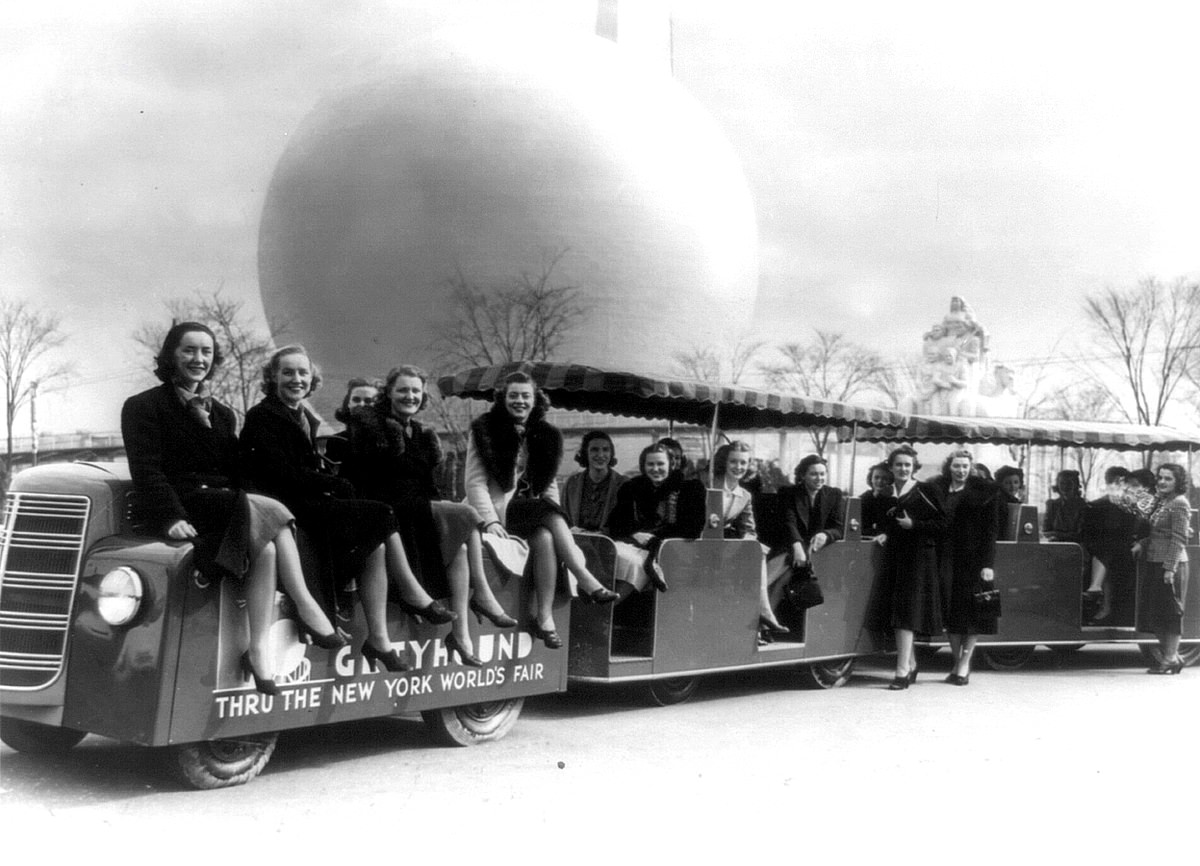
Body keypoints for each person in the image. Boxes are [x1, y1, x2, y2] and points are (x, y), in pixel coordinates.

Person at [121, 323, 343, 695]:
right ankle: (307, 605)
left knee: (268, 548)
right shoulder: (143, 406)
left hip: (222, 504)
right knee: (271, 511)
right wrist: (170, 516)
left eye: (206, 352)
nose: (198, 359)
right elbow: (146, 470)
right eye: (189, 350)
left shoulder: (222, 413)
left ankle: (258, 652)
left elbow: (233, 471)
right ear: (171, 355)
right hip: (184, 506)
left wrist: (246, 499)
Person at [241, 346, 456, 675]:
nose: (297, 379)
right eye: (288, 373)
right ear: (273, 377)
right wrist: (330, 483)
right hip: (283, 505)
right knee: (381, 514)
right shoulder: (263, 415)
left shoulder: (300, 415)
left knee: (376, 543)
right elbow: (279, 474)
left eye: (303, 373)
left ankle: (379, 639)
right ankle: (412, 592)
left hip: (304, 500)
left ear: (312, 378)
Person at [341, 365, 516, 667]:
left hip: (418, 512)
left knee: (460, 547)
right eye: (402, 390)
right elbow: (367, 480)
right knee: (467, 512)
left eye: (415, 391)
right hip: (390, 511)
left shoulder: (422, 434)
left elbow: (429, 487)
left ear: (422, 397)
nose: (410, 396)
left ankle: (460, 635)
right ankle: (483, 594)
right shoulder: (372, 427)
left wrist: (439, 515)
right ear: (389, 393)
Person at [465, 371, 619, 649]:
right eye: (514, 395)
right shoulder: (485, 429)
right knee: (546, 512)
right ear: (503, 398)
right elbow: (474, 484)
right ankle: (584, 577)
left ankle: (545, 618)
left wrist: (560, 523)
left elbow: (548, 487)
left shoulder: (546, 435)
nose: (520, 401)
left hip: (530, 512)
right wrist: (490, 522)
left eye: (526, 396)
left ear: (536, 400)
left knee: (546, 538)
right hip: (499, 512)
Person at [873, 444, 946, 690]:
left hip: (918, 559)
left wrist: (914, 525)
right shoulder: (884, 493)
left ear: (914, 467)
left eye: (907, 465)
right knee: (898, 615)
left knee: (906, 614)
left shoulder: (926, 490)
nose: (903, 469)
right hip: (894, 558)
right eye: (898, 465)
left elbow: (943, 525)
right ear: (891, 467)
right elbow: (881, 523)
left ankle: (902, 671)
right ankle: (911, 664)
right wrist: (884, 533)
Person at [931, 450, 1000, 685]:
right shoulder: (938, 490)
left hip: (972, 560)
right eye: (956, 466)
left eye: (965, 466)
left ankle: (964, 664)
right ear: (948, 467)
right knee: (949, 612)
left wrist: (987, 564)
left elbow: (990, 533)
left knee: (970, 614)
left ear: (970, 468)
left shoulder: (983, 494)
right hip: (945, 557)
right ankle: (956, 661)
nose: (961, 471)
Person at [709, 441, 789, 639]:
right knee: (754, 555)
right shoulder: (709, 485)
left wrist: (746, 540)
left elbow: (749, 529)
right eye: (734, 462)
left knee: (756, 550)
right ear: (724, 462)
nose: (739, 467)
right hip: (704, 544)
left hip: (725, 548)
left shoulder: (744, 495)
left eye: (743, 463)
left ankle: (759, 621)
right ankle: (764, 615)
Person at [608, 442, 706, 600]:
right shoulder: (632, 487)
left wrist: (655, 539)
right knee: (613, 554)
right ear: (643, 466)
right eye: (650, 464)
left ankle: (609, 607)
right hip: (632, 543)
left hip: (671, 549)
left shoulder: (690, 488)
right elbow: (615, 523)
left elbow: (693, 529)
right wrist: (635, 533)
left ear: (671, 464)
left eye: (660, 464)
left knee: (635, 564)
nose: (655, 469)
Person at [767, 454, 845, 619]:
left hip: (816, 553)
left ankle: (766, 623)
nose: (819, 478)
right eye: (814, 474)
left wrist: (826, 534)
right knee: (777, 577)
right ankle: (765, 622)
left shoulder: (834, 494)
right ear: (802, 475)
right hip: (790, 547)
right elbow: (788, 523)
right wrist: (797, 546)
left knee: (784, 579)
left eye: (823, 474)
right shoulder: (788, 493)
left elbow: (838, 527)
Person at [1134, 463, 1191, 674]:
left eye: (1168, 479)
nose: (1162, 482)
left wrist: (1170, 568)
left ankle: (1169, 659)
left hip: (1171, 565)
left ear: (1178, 482)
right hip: (1154, 561)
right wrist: (1143, 543)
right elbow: (1158, 533)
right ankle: (1173, 658)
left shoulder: (1179, 503)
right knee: (1156, 614)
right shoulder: (1161, 501)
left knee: (1171, 614)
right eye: (1160, 478)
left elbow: (1178, 539)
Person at [1080, 466, 1139, 624]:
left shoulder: (1133, 504)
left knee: (1106, 550)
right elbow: (1090, 531)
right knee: (1104, 550)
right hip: (1108, 549)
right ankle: (1101, 601)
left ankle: (1097, 590)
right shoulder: (1099, 505)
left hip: (1128, 548)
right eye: (1112, 482)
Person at [562, 430, 626, 534]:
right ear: (585, 453)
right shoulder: (571, 483)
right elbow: (564, 518)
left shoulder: (623, 484)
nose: (600, 455)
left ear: (611, 453)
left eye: (605, 450)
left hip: (611, 544)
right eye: (594, 450)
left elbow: (627, 524)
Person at [323, 377, 381, 465]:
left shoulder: (391, 440)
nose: (361, 404)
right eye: (356, 400)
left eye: (368, 401)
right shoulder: (336, 441)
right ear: (348, 404)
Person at [1044, 469, 1085, 542]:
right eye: (1062, 483)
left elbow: (1080, 535)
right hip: (1054, 546)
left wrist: (1056, 534)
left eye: (1069, 483)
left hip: (1075, 548)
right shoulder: (1052, 505)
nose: (1065, 487)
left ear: (1076, 485)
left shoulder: (1084, 506)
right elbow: (1045, 532)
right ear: (1058, 485)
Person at [858, 462, 895, 538]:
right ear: (871, 479)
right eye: (876, 477)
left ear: (890, 481)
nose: (880, 481)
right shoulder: (862, 500)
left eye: (884, 478)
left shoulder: (894, 502)